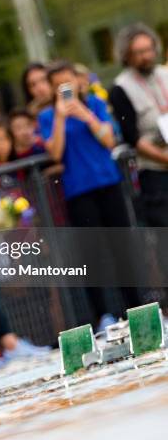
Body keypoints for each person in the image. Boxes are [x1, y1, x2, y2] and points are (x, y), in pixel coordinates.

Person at [38, 60, 140, 330]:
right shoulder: (47, 116)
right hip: (77, 191)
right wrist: (61, 117)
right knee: (91, 254)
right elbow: (55, 152)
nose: (64, 86)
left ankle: (136, 306)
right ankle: (102, 315)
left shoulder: (94, 103)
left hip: (107, 182)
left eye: (67, 79)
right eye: (58, 82)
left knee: (122, 247)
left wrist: (85, 115)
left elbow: (109, 140)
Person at [110, 23, 168, 227]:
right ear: (127, 55)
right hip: (154, 171)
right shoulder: (121, 88)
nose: (146, 56)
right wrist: (164, 158)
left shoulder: (164, 74)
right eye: (138, 52)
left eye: (148, 50)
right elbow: (132, 137)